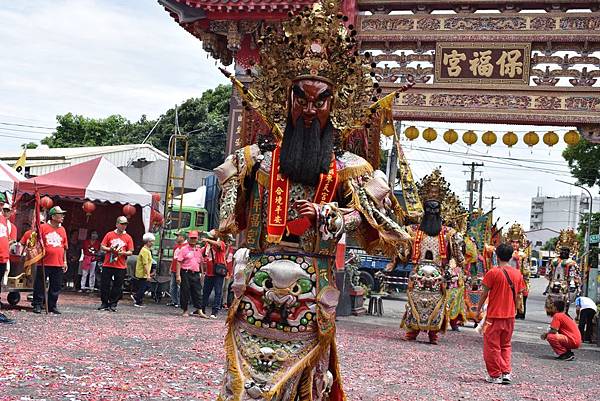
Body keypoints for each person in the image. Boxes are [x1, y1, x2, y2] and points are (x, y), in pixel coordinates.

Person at [212, 3, 411, 398]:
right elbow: (227, 199)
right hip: (256, 280)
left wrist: (331, 215)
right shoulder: (256, 160)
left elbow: (369, 217)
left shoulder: (351, 169)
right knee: (246, 372)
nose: (309, 109)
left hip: (313, 285)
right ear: (285, 101)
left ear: (334, 107)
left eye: (320, 102)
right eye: (300, 99)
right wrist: (225, 215)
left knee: (308, 377)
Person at [400, 170, 465, 344]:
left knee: (436, 305)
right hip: (417, 274)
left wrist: (455, 265)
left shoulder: (449, 233)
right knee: (414, 303)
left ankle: (432, 334)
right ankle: (412, 332)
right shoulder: (412, 231)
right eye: (429, 209)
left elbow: (459, 258)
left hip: (438, 275)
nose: (431, 212)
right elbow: (403, 252)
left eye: (435, 210)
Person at [476, 243, 526, 385]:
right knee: (505, 345)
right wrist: (515, 310)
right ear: (511, 256)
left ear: (496, 255)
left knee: (491, 346)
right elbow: (519, 296)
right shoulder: (517, 274)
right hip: (510, 316)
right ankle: (506, 372)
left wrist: (478, 310)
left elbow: (484, 294)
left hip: (493, 316)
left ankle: (495, 374)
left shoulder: (492, 272)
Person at [32, 206, 69, 314]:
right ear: (53, 216)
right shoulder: (43, 227)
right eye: (60, 214)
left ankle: (52, 305)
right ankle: (37, 304)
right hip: (44, 261)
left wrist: (65, 261)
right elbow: (36, 243)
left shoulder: (62, 229)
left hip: (58, 262)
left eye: (62, 214)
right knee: (40, 284)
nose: (62, 217)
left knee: (56, 285)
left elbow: (64, 247)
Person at [98, 216, 134, 312]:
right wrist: (110, 249)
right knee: (105, 284)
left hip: (120, 265)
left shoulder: (128, 237)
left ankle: (113, 303)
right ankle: (104, 302)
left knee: (117, 286)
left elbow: (130, 251)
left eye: (125, 224)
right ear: (117, 224)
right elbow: (102, 246)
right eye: (122, 224)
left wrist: (123, 253)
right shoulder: (109, 234)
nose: (123, 226)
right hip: (108, 264)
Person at [545, 229, 580, 315]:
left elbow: (573, 275)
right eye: (562, 250)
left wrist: (573, 284)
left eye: (566, 251)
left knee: (564, 299)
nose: (564, 252)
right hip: (554, 282)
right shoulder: (554, 261)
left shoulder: (571, 262)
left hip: (564, 283)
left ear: (570, 252)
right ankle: (552, 312)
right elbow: (549, 272)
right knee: (551, 298)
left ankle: (563, 312)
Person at [199, 230, 227, 319]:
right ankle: (201, 309)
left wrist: (208, 240)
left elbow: (218, 244)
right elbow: (202, 254)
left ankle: (214, 311)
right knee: (205, 292)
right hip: (209, 273)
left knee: (218, 292)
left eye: (210, 236)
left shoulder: (221, 243)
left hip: (218, 273)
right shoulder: (207, 245)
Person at [174, 230, 203, 316]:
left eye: (195, 238)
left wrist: (202, 273)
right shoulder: (184, 249)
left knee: (197, 291)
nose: (193, 240)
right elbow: (179, 261)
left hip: (196, 273)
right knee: (185, 291)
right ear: (189, 238)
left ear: (197, 239)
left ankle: (199, 309)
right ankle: (185, 310)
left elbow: (200, 262)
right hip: (186, 272)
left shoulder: (198, 249)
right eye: (192, 238)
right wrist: (178, 275)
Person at [132, 233, 155, 307]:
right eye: (151, 241)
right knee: (144, 286)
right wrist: (148, 274)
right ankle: (137, 299)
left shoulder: (147, 250)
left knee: (146, 286)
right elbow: (145, 263)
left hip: (144, 272)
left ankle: (137, 297)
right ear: (148, 242)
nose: (152, 243)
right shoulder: (145, 251)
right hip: (142, 272)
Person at [166, 231, 186, 307]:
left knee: (181, 286)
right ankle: (174, 301)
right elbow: (174, 258)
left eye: (178, 236)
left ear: (182, 237)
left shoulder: (185, 247)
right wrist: (171, 267)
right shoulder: (176, 246)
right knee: (173, 286)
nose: (176, 238)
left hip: (181, 269)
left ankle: (181, 302)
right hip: (174, 269)